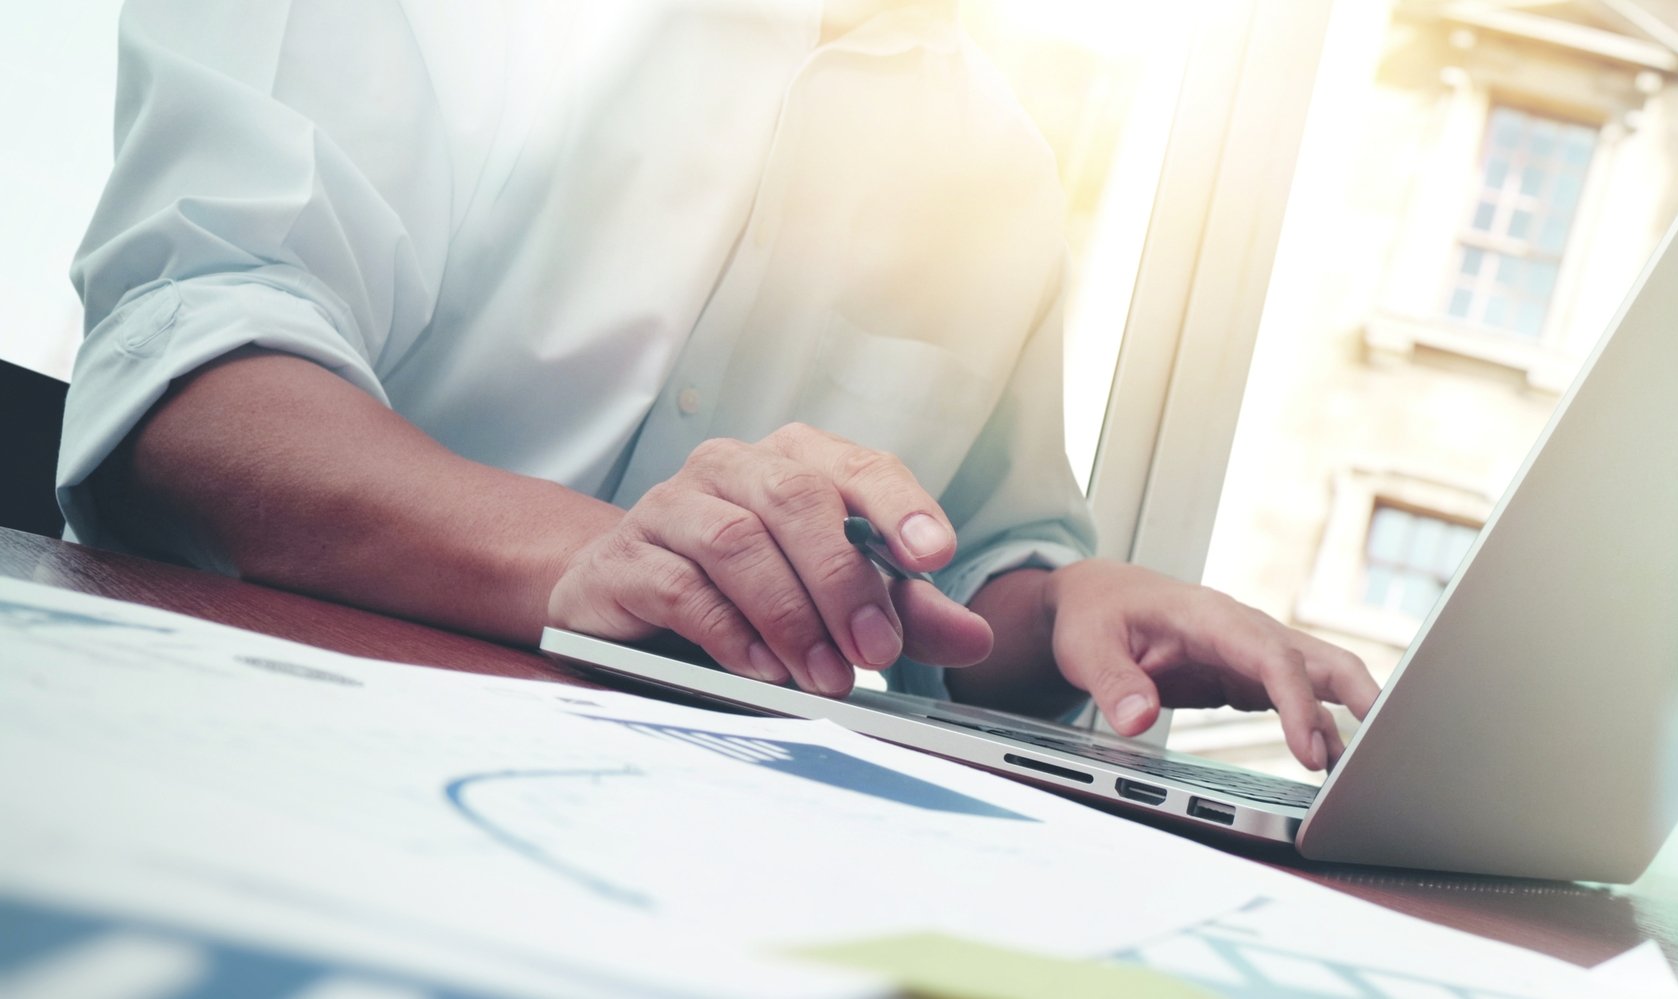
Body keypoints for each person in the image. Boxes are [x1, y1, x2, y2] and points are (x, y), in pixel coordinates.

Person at [57, 0, 1374, 770]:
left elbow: (964, 580)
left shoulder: (1007, 165)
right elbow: (189, 378)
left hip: (702, 832)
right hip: (265, 748)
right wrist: (594, 559)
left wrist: (1078, 603)